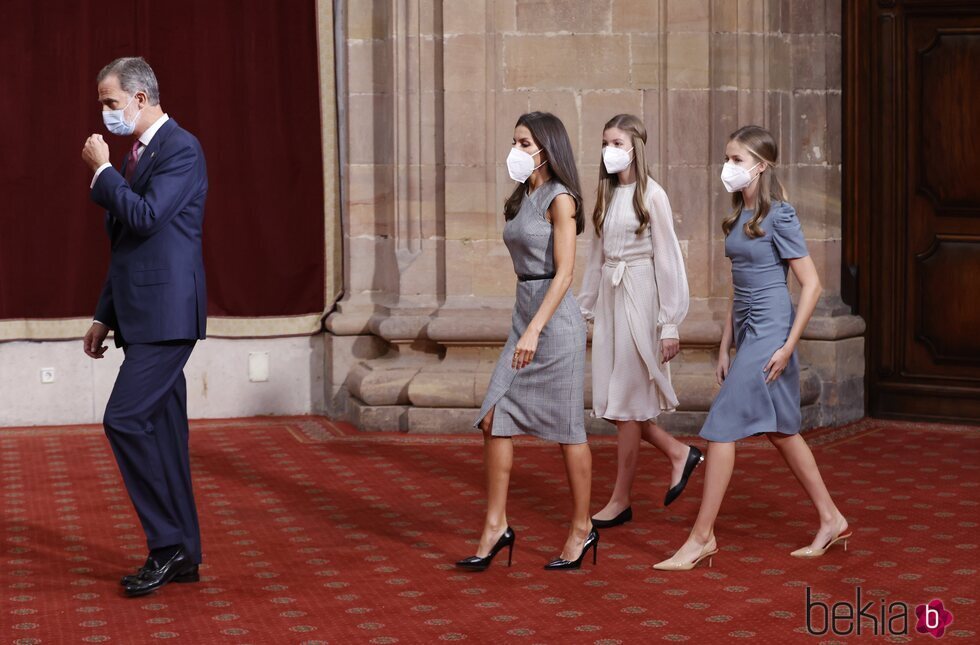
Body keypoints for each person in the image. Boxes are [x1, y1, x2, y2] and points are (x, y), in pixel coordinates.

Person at [653, 125, 850, 571]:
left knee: (721, 427)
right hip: (747, 331)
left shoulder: (780, 215)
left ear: (760, 166)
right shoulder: (738, 217)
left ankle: (701, 537)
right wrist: (725, 346)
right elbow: (737, 287)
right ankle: (831, 518)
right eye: (727, 158)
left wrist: (786, 346)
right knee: (781, 429)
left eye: (737, 160)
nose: (729, 167)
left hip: (772, 331)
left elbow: (813, 285)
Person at [80, 56, 208, 595]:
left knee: (123, 420)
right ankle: (186, 555)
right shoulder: (141, 153)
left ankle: (166, 544)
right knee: (165, 434)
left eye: (111, 103)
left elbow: (147, 217)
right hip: (139, 315)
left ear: (140, 97)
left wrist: (102, 171)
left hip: (167, 317)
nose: (106, 113)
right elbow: (129, 246)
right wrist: (102, 315)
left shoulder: (181, 147)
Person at [456, 112, 596, 572]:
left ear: (545, 146)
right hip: (524, 314)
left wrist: (535, 329)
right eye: (514, 141)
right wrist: (525, 325)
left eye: (522, 142)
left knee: (568, 431)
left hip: (555, 325)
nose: (514, 150)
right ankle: (495, 525)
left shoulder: (561, 199)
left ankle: (581, 528)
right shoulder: (524, 197)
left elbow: (566, 273)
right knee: (494, 417)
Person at [578, 114, 700, 530]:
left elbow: (668, 260)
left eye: (616, 142)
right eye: (604, 142)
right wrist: (584, 310)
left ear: (634, 148)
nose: (608, 149)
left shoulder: (653, 195)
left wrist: (669, 323)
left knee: (627, 405)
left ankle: (620, 499)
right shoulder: (605, 195)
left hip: (641, 297)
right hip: (612, 301)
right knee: (618, 403)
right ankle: (678, 453)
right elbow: (595, 259)